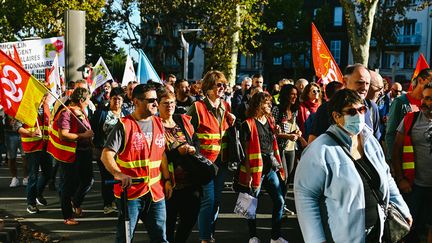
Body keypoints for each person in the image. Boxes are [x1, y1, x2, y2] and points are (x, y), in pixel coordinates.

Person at [294, 89, 411, 242]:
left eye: (362, 109)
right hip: (343, 237)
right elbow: (306, 197)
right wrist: (316, 239)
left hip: (379, 231)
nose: (359, 115)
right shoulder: (319, 150)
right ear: (336, 116)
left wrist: (402, 208)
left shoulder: (370, 141)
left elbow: (386, 177)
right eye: (351, 111)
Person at [101, 84, 172, 243]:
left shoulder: (159, 123)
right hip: (130, 194)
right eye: (151, 100)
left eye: (157, 100)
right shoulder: (124, 125)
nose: (156, 103)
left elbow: (161, 154)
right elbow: (106, 154)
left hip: (155, 192)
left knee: (161, 237)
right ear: (136, 101)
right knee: (125, 238)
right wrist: (118, 174)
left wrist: (167, 180)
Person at [187, 70, 235, 243]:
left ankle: (210, 234)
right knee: (208, 200)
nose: (222, 88)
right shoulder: (197, 107)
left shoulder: (225, 106)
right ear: (207, 88)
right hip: (204, 162)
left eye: (224, 85)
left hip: (221, 161)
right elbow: (186, 132)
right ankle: (205, 238)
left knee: (216, 201)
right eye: (218, 85)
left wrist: (232, 122)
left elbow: (225, 133)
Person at [238, 92, 287, 243]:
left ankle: (275, 236)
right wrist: (249, 174)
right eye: (267, 103)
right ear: (258, 104)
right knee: (250, 203)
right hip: (255, 169)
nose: (270, 106)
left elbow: (272, 142)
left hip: (270, 167)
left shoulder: (271, 120)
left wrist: (279, 134)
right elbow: (245, 152)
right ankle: (253, 236)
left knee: (279, 201)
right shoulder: (247, 124)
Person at [158, 88, 201, 243]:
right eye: (165, 103)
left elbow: (195, 139)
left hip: (190, 179)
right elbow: (157, 153)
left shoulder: (181, 120)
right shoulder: (155, 124)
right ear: (158, 105)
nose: (169, 106)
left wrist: (193, 148)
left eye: (171, 102)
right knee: (168, 222)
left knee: (190, 216)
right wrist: (178, 152)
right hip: (168, 181)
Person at [47, 87, 94, 225]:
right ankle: (67, 216)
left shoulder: (81, 111)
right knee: (68, 185)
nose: (89, 102)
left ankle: (76, 202)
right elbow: (64, 134)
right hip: (71, 154)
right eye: (88, 99)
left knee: (88, 180)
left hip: (84, 153)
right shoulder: (66, 113)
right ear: (81, 100)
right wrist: (83, 136)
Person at [392, 82, 432, 242]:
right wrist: (401, 179)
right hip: (413, 187)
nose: (425, 102)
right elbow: (396, 151)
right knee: (408, 230)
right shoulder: (410, 119)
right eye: (424, 98)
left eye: (430, 99)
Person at [90, 87, 128, 215]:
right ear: (110, 99)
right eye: (114, 98)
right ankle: (108, 204)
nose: (116, 101)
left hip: (122, 154)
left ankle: (119, 202)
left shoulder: (126, 114)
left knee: (119, 177)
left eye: (119, 99)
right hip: (105, 151)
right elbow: (94, 129)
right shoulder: (102, 113)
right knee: (107, 177)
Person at [385, 68, 432, 161]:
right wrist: (394, 163)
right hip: (405, 164)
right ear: (420, 80)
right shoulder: (400, 102)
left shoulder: (429, 103)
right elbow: (390, 134)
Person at [18, 96, 52, 214]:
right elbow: (17, 127)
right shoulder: (27, 108)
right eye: (44, 95)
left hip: (45, 146)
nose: (47, 97)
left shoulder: (46, 107)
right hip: (32, 148)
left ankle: (38, 193)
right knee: (33, 176)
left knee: (48, 173)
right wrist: (31, 133)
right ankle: (31, 204)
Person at [271, 84, 303, 203]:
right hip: (280, 148)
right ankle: (279, 203)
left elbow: (292, 127)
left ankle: (282, 203)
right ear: (285, 95)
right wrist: (288, 136)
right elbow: (273, 132)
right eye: (292, 94)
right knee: (282, 177)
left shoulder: (294, 111)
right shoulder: (277, 109)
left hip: (292, 148)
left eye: (296, 94)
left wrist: (297, 131)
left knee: (289, 178)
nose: (294, 97)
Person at [4, 115, 28, 187]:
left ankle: (26, 177)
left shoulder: (24, 104)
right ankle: (14, 178)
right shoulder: (7, 104)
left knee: (25, 157)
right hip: (9, 133)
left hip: (23, 132)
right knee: (11, 157)